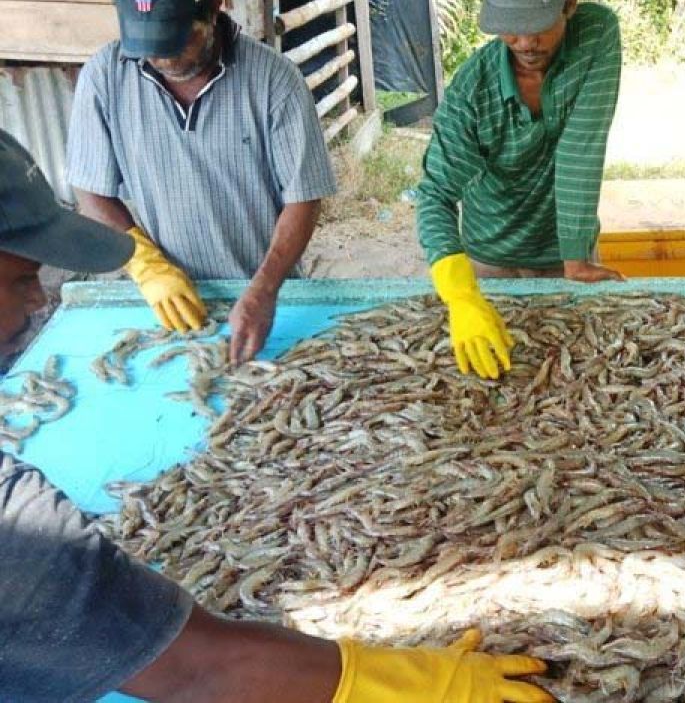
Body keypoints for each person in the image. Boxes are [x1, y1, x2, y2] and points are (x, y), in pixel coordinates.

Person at [0, 128, 551, 702]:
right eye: (22, 279)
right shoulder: (15, 529)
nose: (42, 301)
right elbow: (196, 667)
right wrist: (414, 683)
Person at [67, 0, 337, 363]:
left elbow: (303, 199)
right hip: (168, 301)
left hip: (264, 294)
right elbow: (91, 190)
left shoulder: (274, 80)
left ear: (213, 9)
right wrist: (145, 265)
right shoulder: (104, 77)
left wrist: (264, 289)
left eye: (179, 40)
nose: (167, 59)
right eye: (151, 47)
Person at [415, 0, 624, 380]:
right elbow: (434, 194)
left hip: (567, 254)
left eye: (540, 26)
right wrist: (462, 295)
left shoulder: (596, 36)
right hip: (490, 259)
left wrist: (576, 259)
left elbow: (580, 148)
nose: (526, 42)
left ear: (569, 5)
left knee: (580, 381)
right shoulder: (472, 92)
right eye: (511, 28)